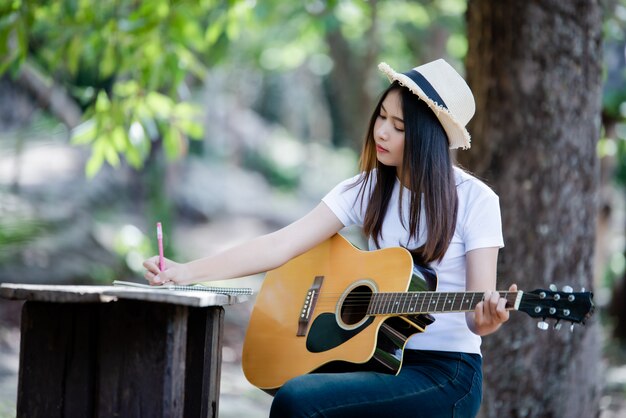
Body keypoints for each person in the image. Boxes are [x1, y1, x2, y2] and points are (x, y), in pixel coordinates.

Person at [143, 58, 516, 418]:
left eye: (399, 127)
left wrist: (488, 320)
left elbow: (475, 316)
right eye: (382, 116)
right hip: (378, 359)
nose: (381, 132)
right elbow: (280, 245)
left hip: (445, 373)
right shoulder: (369, 188)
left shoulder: (476, 201)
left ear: (428, 138)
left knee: (298, 401)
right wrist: (185, 272)